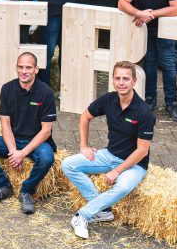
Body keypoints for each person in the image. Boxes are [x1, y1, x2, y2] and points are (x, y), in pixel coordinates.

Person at [61, 61, 155, 239]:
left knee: (123, 186)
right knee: (68, 164)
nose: (121, 82)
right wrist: (84, 146)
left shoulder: (144, 112)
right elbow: (85, 117)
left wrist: (116, 171)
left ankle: (83, 215)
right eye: (118, 78)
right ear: (113, 80)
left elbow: (142, 151)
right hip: (109, 154)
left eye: (126, 79)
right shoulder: (109, 99)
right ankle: (102, 209)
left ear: (134, 82)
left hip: (134, 165)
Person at [0, 52, 56, 215]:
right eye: (20, 67)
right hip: (13, 139)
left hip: (37, 142)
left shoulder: (46, 92)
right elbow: (5, 123)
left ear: (36, 70)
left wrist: (22, 153)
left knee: (47, 158)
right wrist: (13, 152)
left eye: (28, 67)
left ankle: (26, 191)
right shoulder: (7, 89)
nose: (24, 71)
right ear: (16, 68)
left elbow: (46, 131)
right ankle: (3, 186)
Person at [117, 0, 177, 120]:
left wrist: (151, 14)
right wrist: (139, 13)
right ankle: (150, 99)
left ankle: (172, 103)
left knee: (168, 64)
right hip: (144, 29)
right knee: (150, 64)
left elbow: (176, 9)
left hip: (165, 29)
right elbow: (122, 3)